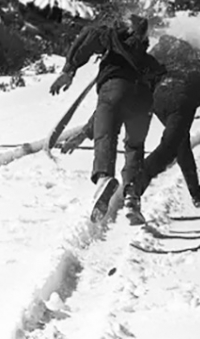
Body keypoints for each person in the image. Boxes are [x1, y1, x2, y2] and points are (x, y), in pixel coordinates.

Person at [58, 35, 200, 224]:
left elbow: (122, 89)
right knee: (169, 147)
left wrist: (86, 131)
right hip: (181, 104)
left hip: (153, 97)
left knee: (177, 142)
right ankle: (134, 190)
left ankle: (193, 193)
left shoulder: (163, 52)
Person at [49, 12, 166, 223]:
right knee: (134, 147)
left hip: (114, 90)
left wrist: (69, 70)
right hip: (144, 100)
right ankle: (132, 196)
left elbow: (89, 36)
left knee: (107, 138)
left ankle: (104, 178)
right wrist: (83, 134)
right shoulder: (149, 60)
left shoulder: (112, 37)